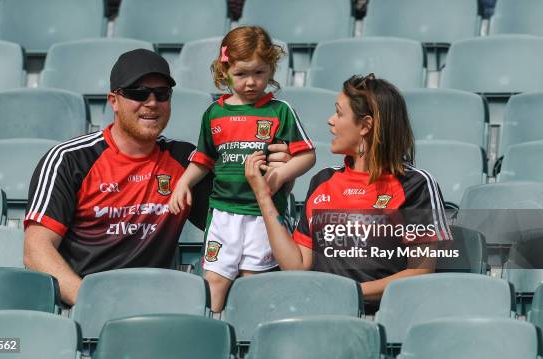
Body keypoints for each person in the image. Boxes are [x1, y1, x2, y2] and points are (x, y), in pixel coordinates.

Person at [23, 48, 292, 306]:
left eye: (161, 93)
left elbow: (241, 216)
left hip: (159, 307)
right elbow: (36, 251)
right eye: (137, 93)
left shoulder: (185, 160)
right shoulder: (70, 159)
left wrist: (280, 179)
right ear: (113, 101)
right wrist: (92, 302)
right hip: (84, 309)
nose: (151, 102)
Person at [245, 74, 451, 311]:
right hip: (319, 314)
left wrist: (350, 294)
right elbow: (297, 266)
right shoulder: (322, 180)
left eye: (339, 113)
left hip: (383, 318)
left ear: (365, 125)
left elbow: (420, 272)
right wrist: (263, 197)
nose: (330, 121)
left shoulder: (417, 185)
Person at [169, 26, 316, 312]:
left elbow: (307, 156)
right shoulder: (214, 113)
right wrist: (182, 184)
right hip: (223, 212)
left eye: (259, 73)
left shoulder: (280, 110)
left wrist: (279, 175)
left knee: (254, 283)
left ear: (271, 69)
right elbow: (203, 159)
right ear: (224, 71)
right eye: (241, 74)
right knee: (214, 279)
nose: (251, 82)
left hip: (263, 214)